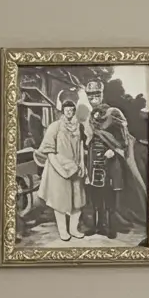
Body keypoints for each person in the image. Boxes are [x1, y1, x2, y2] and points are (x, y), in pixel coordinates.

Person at [33, 94, 86, 241]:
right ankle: (63, 232)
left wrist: (82, 163)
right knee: (60, 202)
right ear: (63, 111)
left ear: (74, 110)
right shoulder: (54, 127)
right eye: (66, 110)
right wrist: (60, 169)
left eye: (71, 109)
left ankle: (74, 229)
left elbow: (81, 145)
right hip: (58, 169)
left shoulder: (78, 126)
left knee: (78, 201)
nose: (69, 112)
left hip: (75, 168)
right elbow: (49, 151)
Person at [83, 78, 129, 238]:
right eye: (90, 95)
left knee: (109, 197)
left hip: (109, 161)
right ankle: (97, 227)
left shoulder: (113, 113)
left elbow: (123, 140)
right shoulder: (89, 117)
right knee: (95, 196)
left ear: (101, 95)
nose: (93, 98)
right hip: (93, 162)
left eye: (96, 94)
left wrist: (114, 151)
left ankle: (111, 229)